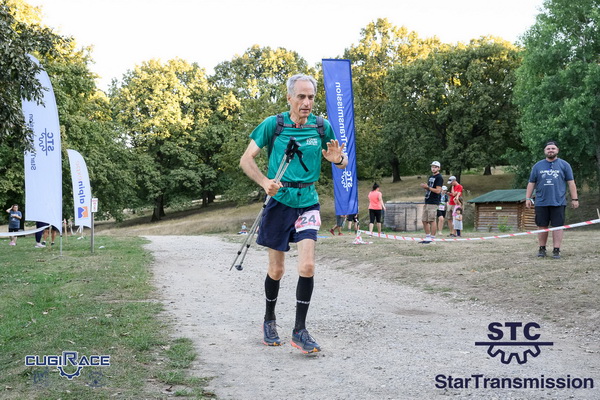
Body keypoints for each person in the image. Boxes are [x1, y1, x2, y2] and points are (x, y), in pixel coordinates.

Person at [239, 74, 347, 354]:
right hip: (279, 202)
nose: (307, 102)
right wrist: (265, 182)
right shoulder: (273, 125)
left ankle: (300, 330)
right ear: (289, 98)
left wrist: (338, 160)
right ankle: (269, 320)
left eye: (311, 97)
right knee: (277, 270)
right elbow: (246, 159)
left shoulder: (321, 126)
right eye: (301, 96)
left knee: (307, 266)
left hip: (308, 201)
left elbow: (342, 160)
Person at [525, 141, 578, 259]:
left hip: (558, 202)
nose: (550, 150)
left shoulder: (564, 165)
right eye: (548, 148)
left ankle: (556, 250)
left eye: (553, 148)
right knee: (542, 226)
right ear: (545, 151)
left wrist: (575, 199)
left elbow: (571, 183)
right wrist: (528, 198)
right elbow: (531, 183)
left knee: (557, 227)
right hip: (541, 202)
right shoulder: (537, 166)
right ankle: (542, 249)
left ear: (557, 150)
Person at [419, 161, 443, 243]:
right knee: (424, 220)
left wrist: (428, 187)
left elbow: (438, 191)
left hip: (433, 201)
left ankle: (432, 238)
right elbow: (429, 188)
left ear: (439, 168)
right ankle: (427, 237)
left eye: (435, 167)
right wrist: (425, 187)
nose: (433, 168)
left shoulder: (439, 177)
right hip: (427, 200)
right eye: (432, 167)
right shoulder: (430, 177)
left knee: (432, 220)